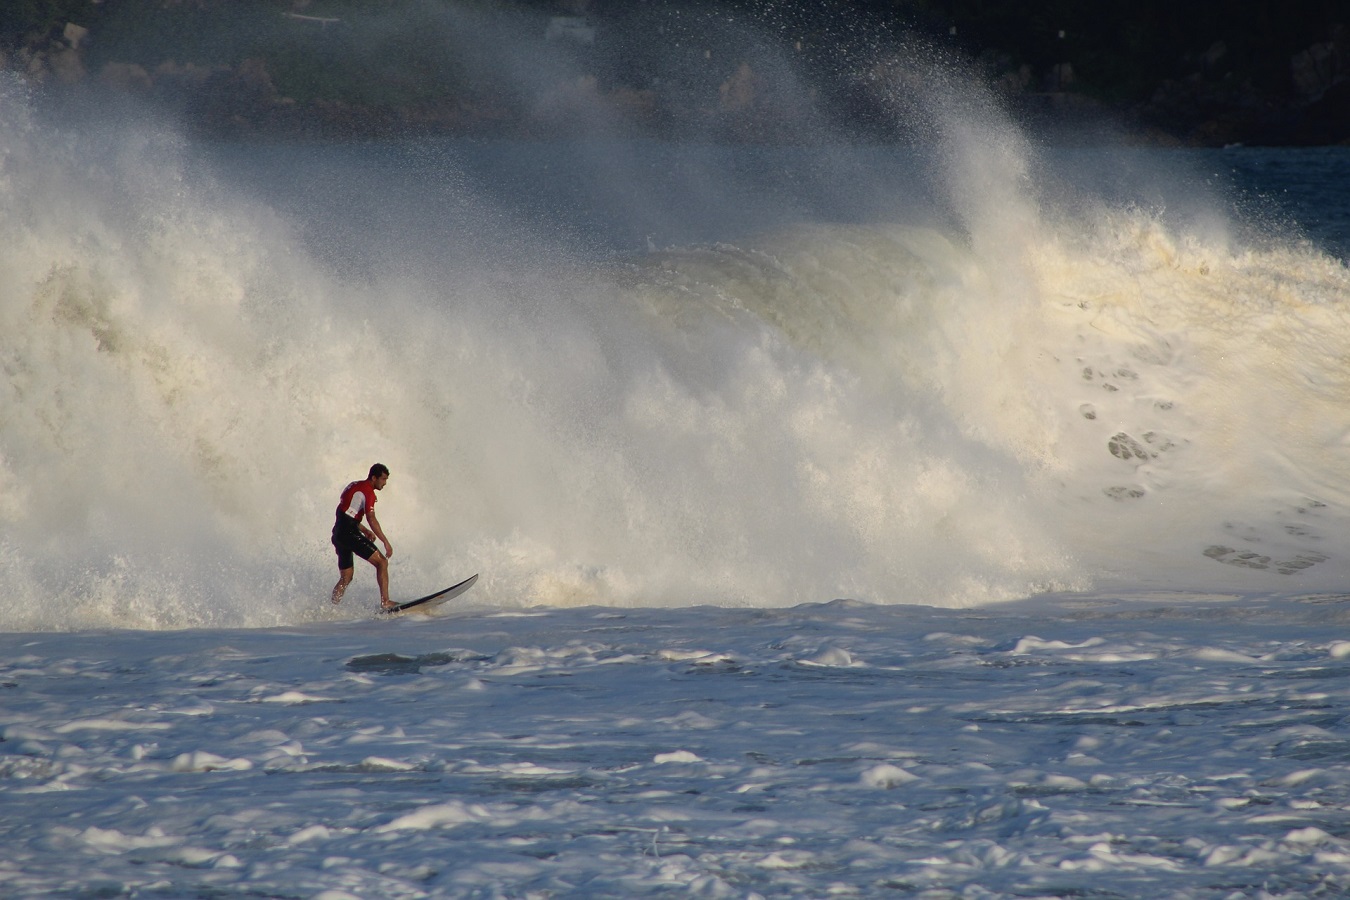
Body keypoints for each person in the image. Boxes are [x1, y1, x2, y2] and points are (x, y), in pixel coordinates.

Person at [330, 463, 395, 609]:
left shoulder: (354, 485)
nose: (385, 483)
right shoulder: (368, 492)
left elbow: (344, 512)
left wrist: (364, 530)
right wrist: (385, 541)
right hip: (349, 533)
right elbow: (371, 518)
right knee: (382, 563)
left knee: (346, 577)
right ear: (374, 477)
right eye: (383, 479)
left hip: (339, 533)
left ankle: (331, 607)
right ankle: (386, 602)